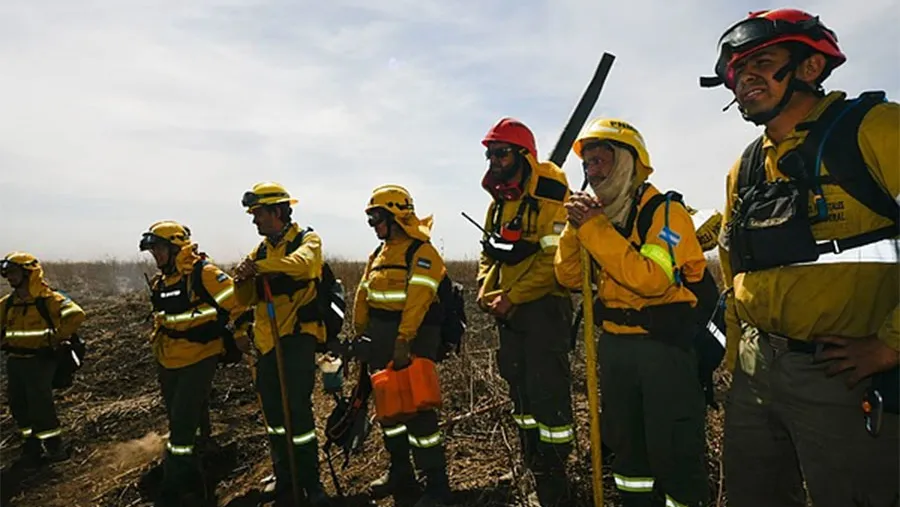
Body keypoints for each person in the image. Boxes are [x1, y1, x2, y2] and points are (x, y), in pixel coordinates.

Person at [701, 8, 899, 506]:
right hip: (755, 372)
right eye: (735, 71)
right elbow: (734, 267)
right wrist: (736, 356)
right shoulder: (743, 168)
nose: (744, 78)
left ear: (810, 67)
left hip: (841, 372)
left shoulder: (875, 130)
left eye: (761, 62)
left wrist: (891, 346)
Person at [554, 118, 709, 507]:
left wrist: (592, 229)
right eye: (587, 164)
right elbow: (570, 275)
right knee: (627, 449)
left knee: (673, 447)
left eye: (601, 160)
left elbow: (651, 279)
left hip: (662, 349)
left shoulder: (666, 212)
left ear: (628, 161)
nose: (593, 171)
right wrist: (575, 229)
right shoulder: (600, 218)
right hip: (616, 350)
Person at [476, 117, 573, 506]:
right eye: (490, 154)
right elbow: (488, 254)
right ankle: (531, 464)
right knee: (520, 394)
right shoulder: (498, 204)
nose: (493, 160)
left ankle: (555, 482)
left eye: (501, 153)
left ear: (523, 155)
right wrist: (489, 291)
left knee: (548, 397)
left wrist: (512, 296)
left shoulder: (551, 198)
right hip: (508, 312)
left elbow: (554, 263)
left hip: (544, 311)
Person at [353, 184, 452, 507]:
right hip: (381, 338)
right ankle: (400, 472)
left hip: (411, 337)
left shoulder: (421, 252)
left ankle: (436, 483)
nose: (373, 225)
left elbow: (418, 300)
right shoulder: (378, 255)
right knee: (389, 410)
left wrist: (404, 339)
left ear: (396, 215)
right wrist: (361, 334)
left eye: (376, 217)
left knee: (418, 411)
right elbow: (364, 294)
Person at [233, 181, 330, 506]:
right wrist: (242, 279)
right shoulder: (260, 250)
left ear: (277, 211)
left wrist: (259, 268)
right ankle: (284, 474)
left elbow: (302, 265)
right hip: (266, 343)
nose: (254, 221)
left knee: (298, 414)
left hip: (296, 338)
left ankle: (311, 482)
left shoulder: (307, 240)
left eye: (258, 213)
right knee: (274, 416)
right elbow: (244, 297)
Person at [139, 220, 246, 506]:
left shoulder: (204, 273)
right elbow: (162, 319)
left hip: (200, 356)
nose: (156, 256)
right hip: (168, 358)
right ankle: (202, 456)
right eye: (153, 251)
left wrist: (241, 335)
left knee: (181, 426)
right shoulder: (164, 281)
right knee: (184, 416)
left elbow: (237, 303)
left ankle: (176, 486)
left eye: (160, 249)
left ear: (175, 247)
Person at [0, 252, 85, 469]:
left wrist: (55, 338)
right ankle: (32, 444)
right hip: (15, 361)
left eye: (14, 273)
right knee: (18, 404)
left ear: (29, 273)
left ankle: (55, 447)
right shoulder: (8, 303)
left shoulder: (49, 300)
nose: (9, 278)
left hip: (40, 362)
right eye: (7, 273)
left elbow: (76, 314)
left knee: (40, 405)